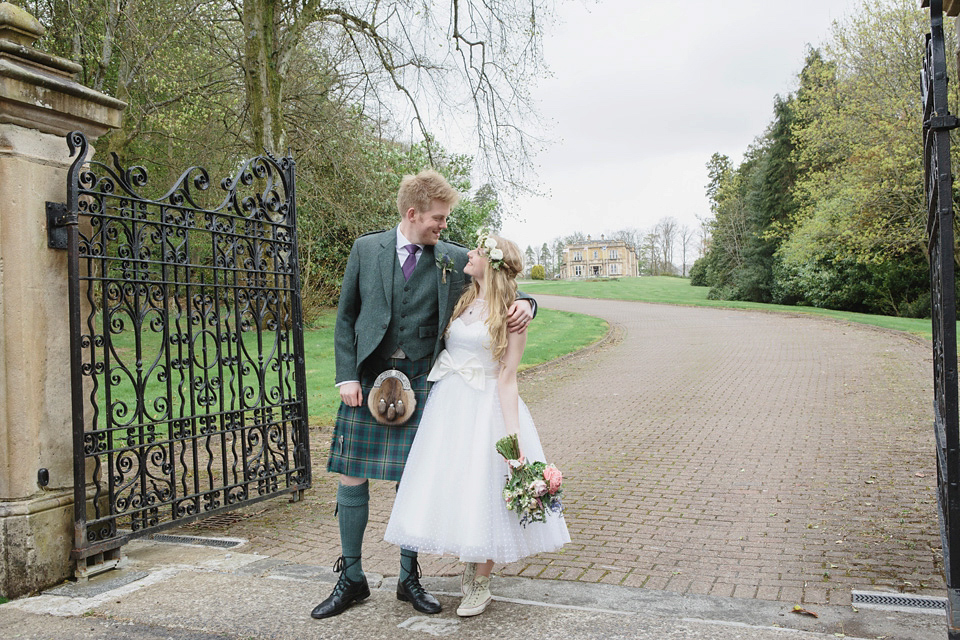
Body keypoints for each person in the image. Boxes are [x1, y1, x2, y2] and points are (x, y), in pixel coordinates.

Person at [311, 170, 536, 620]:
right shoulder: (365, 248)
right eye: (438, 217)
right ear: (413, 214)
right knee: (352, 473)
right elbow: (345, 317)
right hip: (369, 377)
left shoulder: (453, 258)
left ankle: (408, 578)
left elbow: (500, 283)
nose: (444, 225)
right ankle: (351, 577)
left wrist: (529, 303)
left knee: (414, 477)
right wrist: (346, 376)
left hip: (425, 379)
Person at [384, 232, 570, 618]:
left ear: (494, 262)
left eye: (479, 250)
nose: (469, 253)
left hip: (485, 406)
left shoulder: (511, 314)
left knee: (487, 489)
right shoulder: (465, 297)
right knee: (459, 486)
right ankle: (470, 565)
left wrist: (511, 436)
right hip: (449, 406)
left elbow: (507, 377)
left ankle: (479, 582)